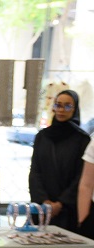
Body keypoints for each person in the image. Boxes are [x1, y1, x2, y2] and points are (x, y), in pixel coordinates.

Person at [28, 90, 90, 234]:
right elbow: (35, 171)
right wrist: (44, 201)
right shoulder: (42, 136)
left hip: (69, 210)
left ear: (75, 109)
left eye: (68, 106)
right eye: (58, 105)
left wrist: (60, 203)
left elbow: (81, 177)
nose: (62, 110)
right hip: (42, 209)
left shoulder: (82, 140)